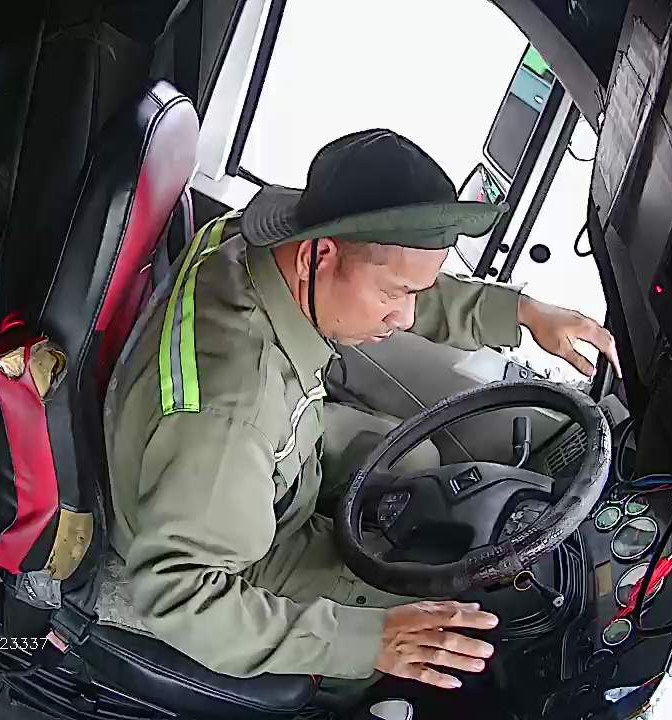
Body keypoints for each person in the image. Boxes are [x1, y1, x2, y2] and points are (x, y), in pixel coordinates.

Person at [103, 130, 620, 694]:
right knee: (427, 616)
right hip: (228, 545)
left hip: (274, 454)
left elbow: (392, 270)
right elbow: (177, 592)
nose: (405, 317)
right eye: (395, 295)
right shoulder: (234, 412)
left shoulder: (251, 241)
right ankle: (331, 699)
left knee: (414, 456)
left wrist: (522, 312)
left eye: (413, 294)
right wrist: (371, 641)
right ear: (318, 256)